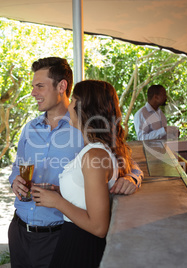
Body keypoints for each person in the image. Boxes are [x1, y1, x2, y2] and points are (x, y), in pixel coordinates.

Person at [8, 57, 143, 267]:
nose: (33, 93)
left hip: (59, 236)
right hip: (19, 232)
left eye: (39, 86)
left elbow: (124, 162)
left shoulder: (85, 130)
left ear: (61, 86)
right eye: (33, 86)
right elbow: (18, 166)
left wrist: (133, 178)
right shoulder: (29, 128)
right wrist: (14, 180)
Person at [32, 80, 131, 267]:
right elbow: (87, 196)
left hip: (82, 246)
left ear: (83, 107)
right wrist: (60, 191)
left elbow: (99, 227)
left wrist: (56, 201)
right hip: (74, 239)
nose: (68, 104)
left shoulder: (94, 155)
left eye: (73, 100)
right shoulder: (94, 150)